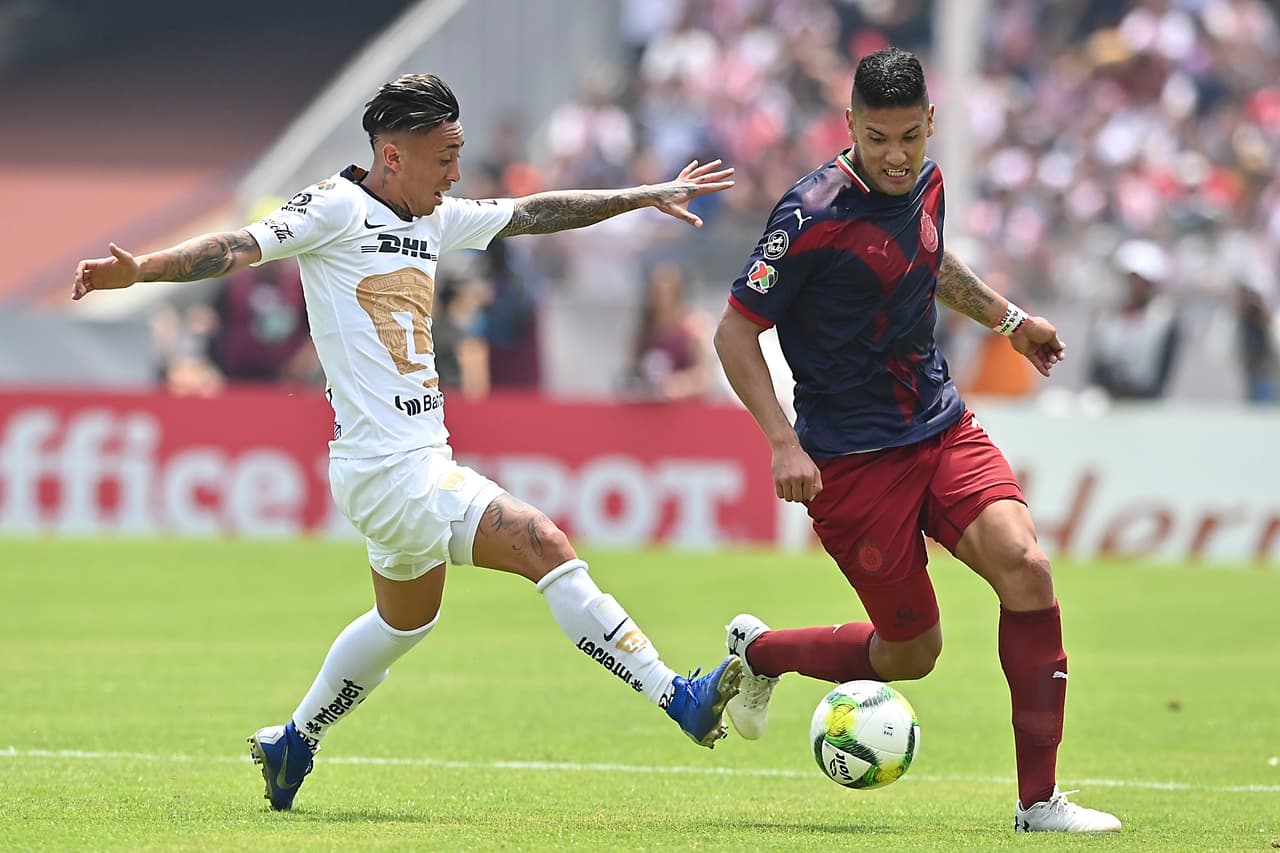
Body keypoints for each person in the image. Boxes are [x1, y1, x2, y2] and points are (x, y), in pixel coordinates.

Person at [72, 73, 742, 811]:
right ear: (393, 155)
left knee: (405, 620)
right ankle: (676, 695)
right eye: (445, 156)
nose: (455, 173)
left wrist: (641, 195)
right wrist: (142, 270)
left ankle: (294, 740)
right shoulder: (333, 207)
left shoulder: (434, 218)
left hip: (405, 465)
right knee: (542, 542)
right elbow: (236, 246)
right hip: (389, 469)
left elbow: (533, 212)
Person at [712, 48, 1121, 834]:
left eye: (909, 136)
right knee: (911, 654)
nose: (895, 156)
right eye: (877, 139)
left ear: (930, 122)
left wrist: (1010, 321)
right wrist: (781, 441)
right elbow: (734, 333)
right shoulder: (808, 215)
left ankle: (1038, 803)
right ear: (850, 126)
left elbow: (928, 260)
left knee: (1027, 568)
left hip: (939, 425)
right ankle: (762, 653)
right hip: (850, 460)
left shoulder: (928, 182)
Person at [1086, 239, 1181, 401]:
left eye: (1143, 281)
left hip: (1146, 402)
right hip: (1108, 401)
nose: (1136, 286)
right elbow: (1096, 370)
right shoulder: (1105, 319)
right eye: (1132, 279)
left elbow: (1160, 377)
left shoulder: (1164, 321)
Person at [623, 261, 713, 400]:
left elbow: (704, 375)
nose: (663, 300)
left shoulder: (693, 329)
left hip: (686, 405)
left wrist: (680, 385)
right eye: (658, 293)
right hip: (650, 404)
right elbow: (633, 370)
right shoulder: (645, 331)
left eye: (669, 293)